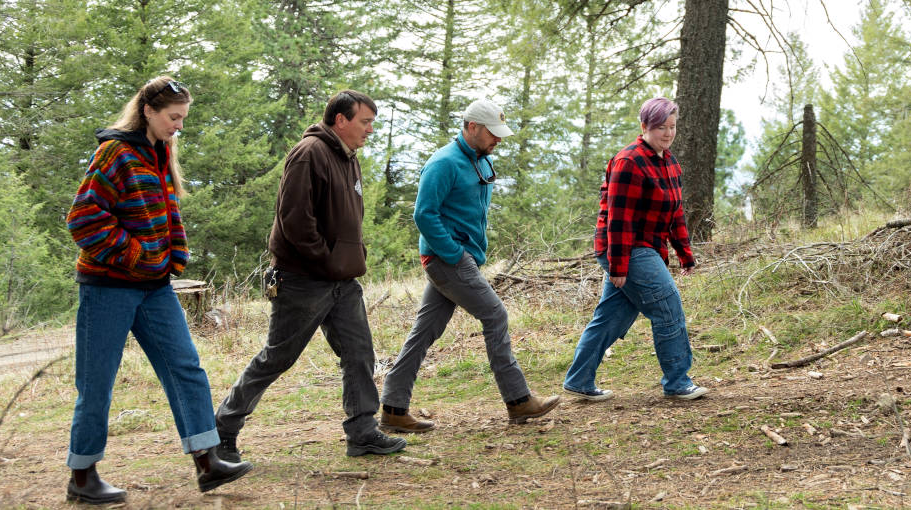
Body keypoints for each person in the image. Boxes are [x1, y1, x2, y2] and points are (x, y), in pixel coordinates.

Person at [65, 76, 252, 505]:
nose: (179, 127)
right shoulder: (116, 153)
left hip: (155, 289)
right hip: (108, 287)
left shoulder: (159, 151)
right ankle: (82, 476)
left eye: (183, 118)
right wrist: (137, 255)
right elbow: (82, 219)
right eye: (173, 117)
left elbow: (165, 214)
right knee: (97, 384)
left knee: (185, 367)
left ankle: (208, 462)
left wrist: (171, 258)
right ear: (148, 111)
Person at [213, 90, 407, 460]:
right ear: (341, 120)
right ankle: (222, 428)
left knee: (358, 353)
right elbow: (295, 221)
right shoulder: (309, 154)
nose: (369, 131)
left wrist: (350, 258)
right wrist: (327, 260)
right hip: (302, 280)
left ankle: (363, 432)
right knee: (277, 358)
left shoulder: (348, 157)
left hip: (341, 281)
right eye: (365, 122)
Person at [379, 99, 560, 432]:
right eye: (493, 133)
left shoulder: (479, 160)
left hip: (458, 259)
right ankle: (518, 401)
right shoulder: (444, 163)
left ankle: (392, 408)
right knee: (495, 315)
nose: (498, 140)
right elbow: (424, 214)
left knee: (424, 333)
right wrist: (452, 253)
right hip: (448, 259)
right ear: (472, 127)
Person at [561, 97, 708, 402]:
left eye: (672, 127)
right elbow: (619, 218)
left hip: (648, 248)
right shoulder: (628, 161)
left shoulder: (670, 162)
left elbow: (675, 213)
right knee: (668, 307)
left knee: (613, 316)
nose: (668, 133)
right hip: (626, 247)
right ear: (644, 127)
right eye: (661, 128)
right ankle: (677, 382)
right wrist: (618, 266)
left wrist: (685, 254)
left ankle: (579, 379)